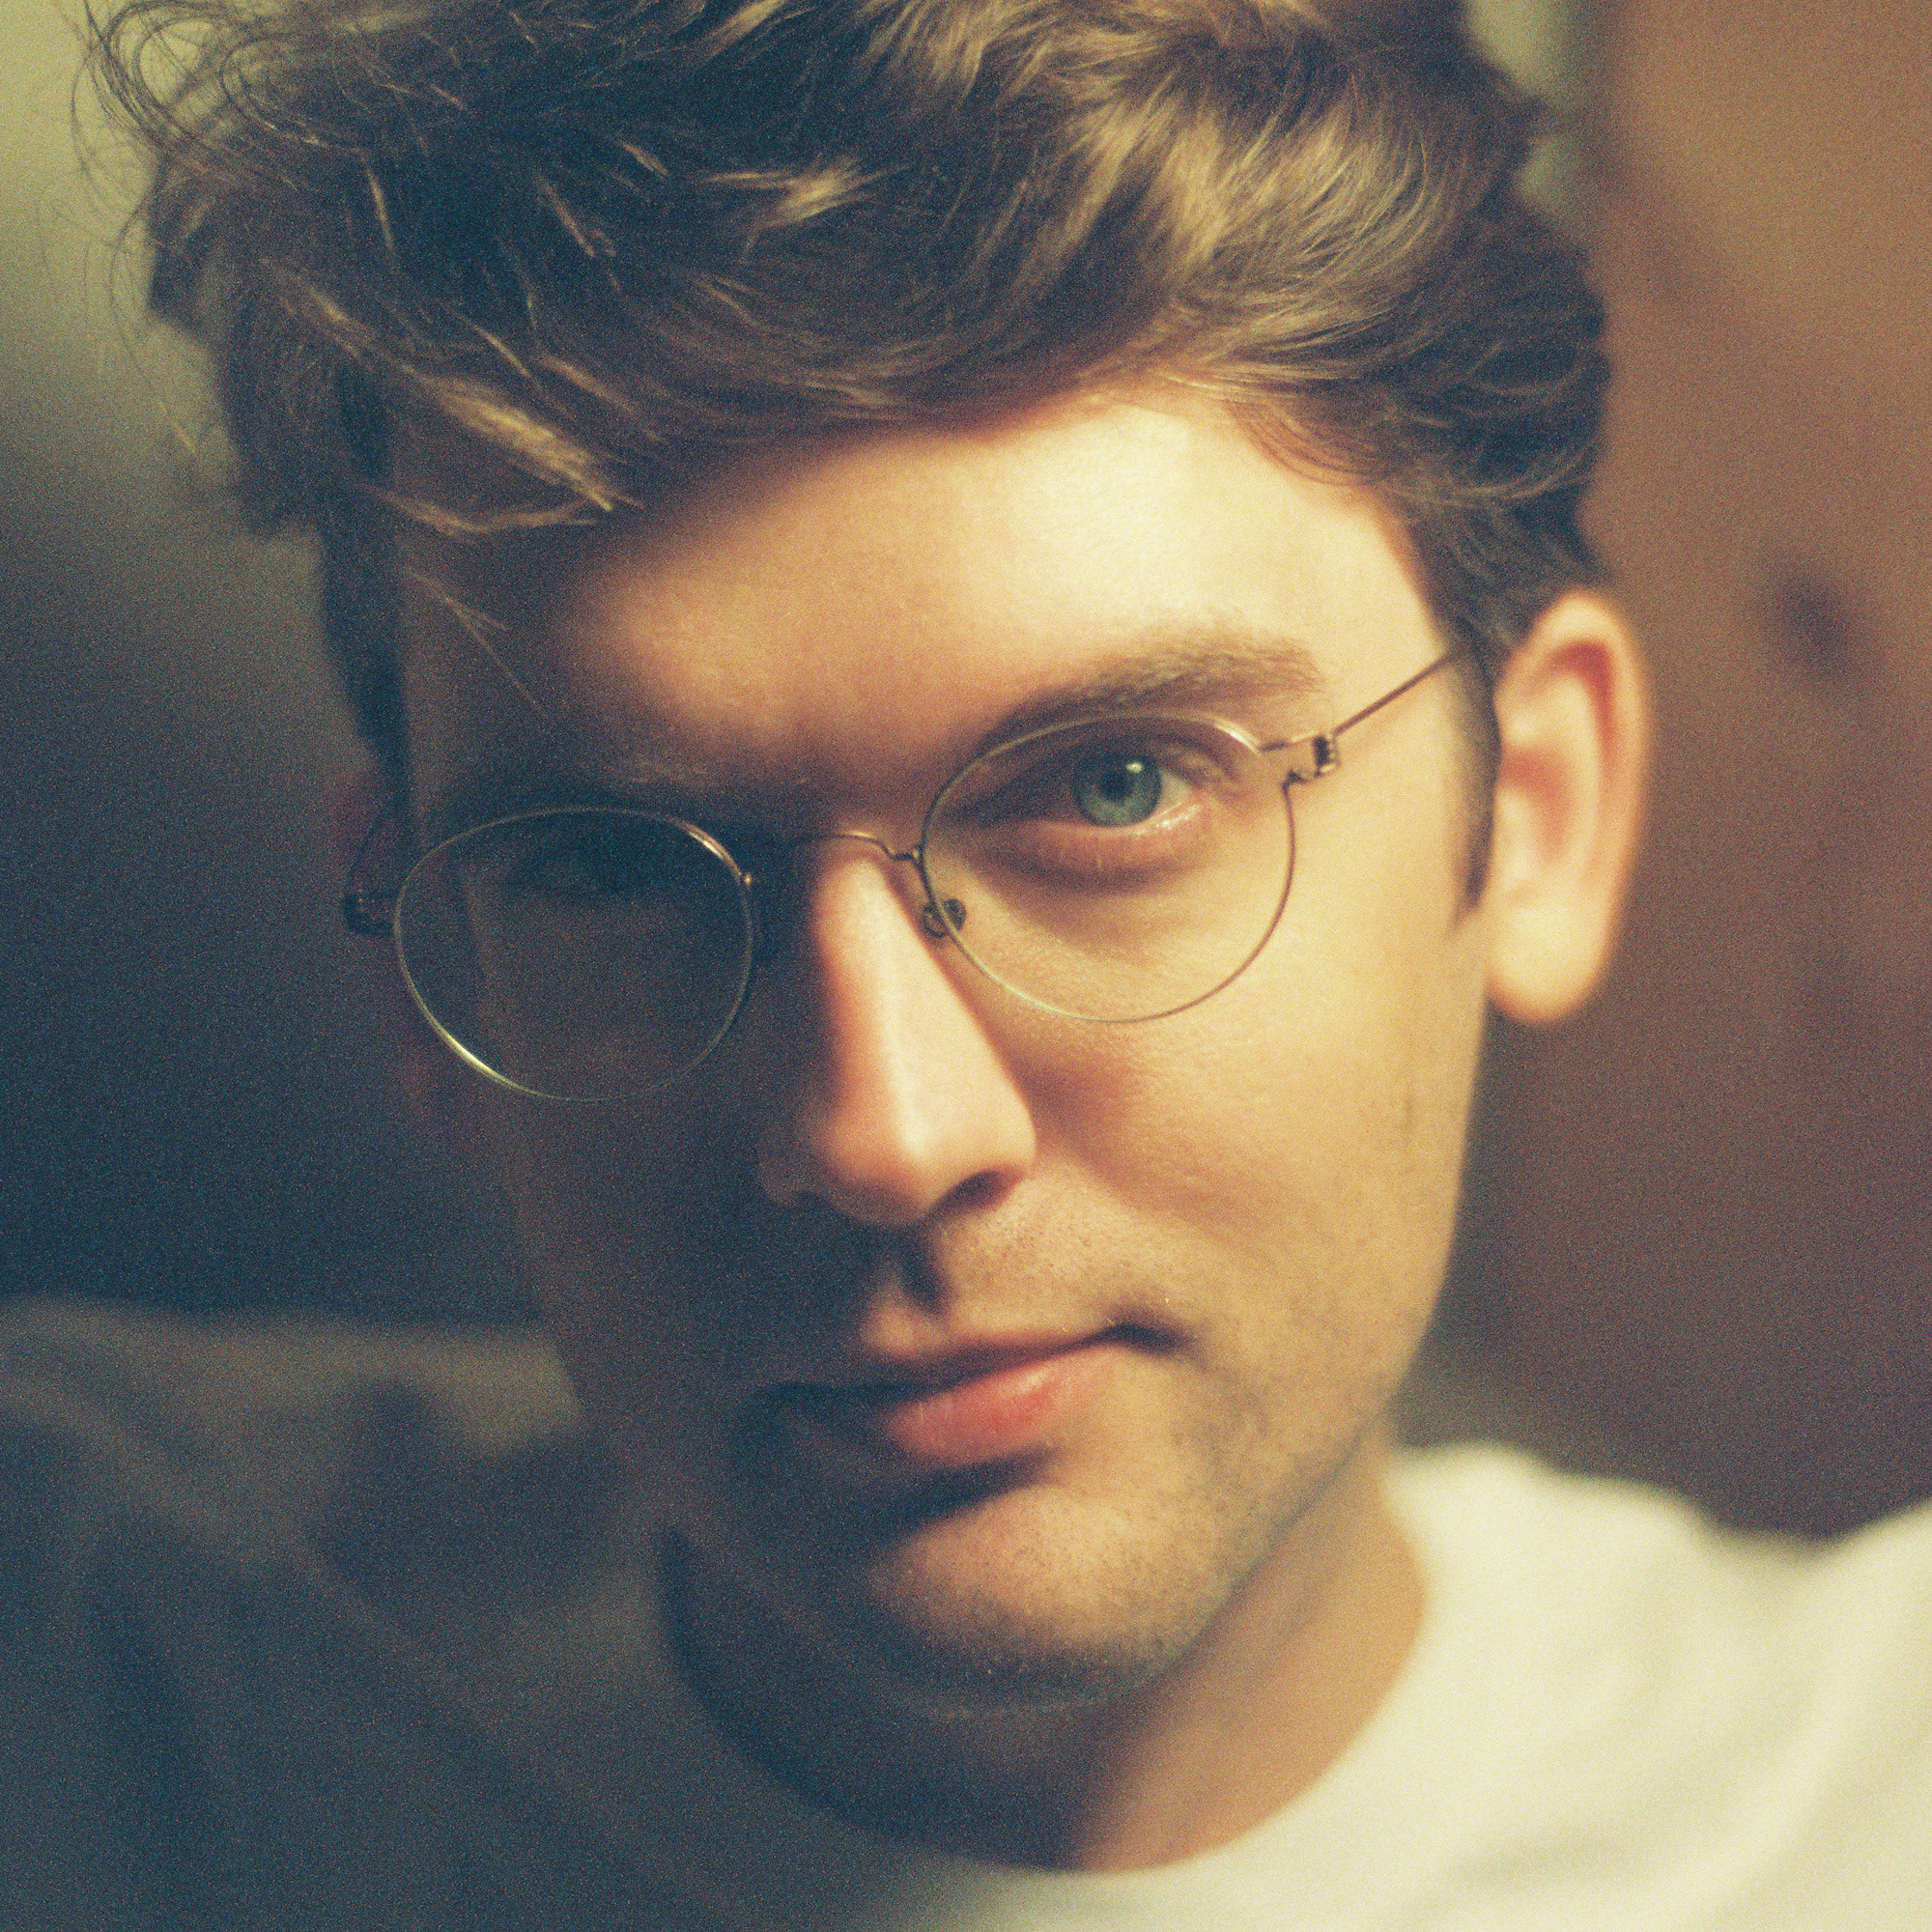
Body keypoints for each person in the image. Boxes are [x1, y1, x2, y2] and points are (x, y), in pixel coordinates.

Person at [2, 1, 1923, 1925]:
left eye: (1113, 789)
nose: (880, 1135)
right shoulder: (85, 1650)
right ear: (431, 971)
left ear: (1537, 817)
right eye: (612, 866)